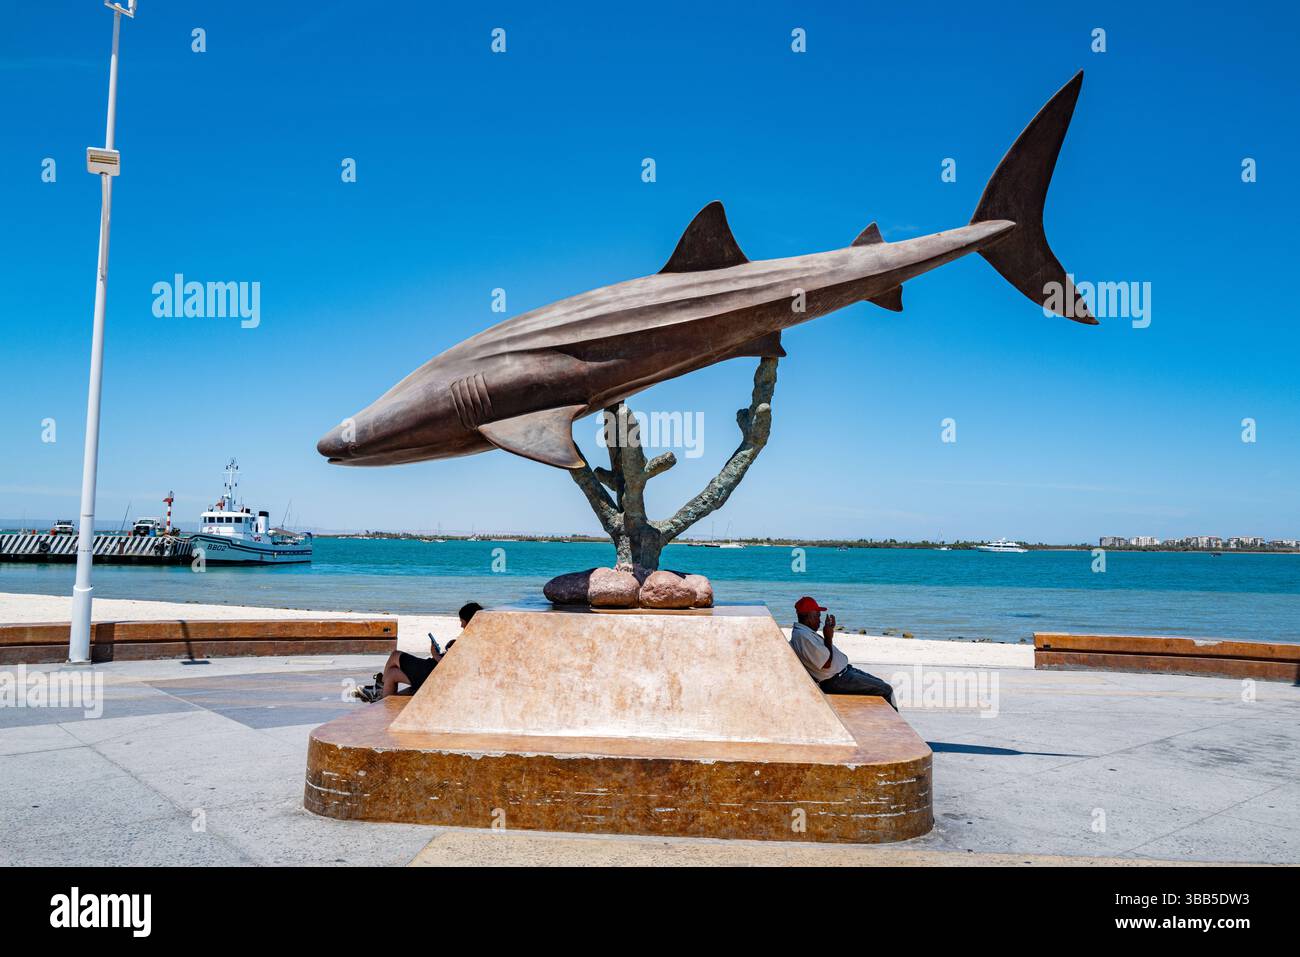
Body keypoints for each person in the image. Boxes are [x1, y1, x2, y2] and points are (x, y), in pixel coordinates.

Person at [357, 602, 481, 702]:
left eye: (462, 621)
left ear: (468, 620)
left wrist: (435, 654)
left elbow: (451, 666)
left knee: (395, 655)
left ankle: (379, 689)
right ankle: (381, 700)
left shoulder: (471, 640)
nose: (461, 625)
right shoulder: (476, 637)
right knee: (391, 674)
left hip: (432, 672)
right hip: (433, 671)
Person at [789, 596, 896, 708]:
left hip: (843, 673)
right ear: (809, 616)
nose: (819, 621)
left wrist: (828, 633)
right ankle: (895, 724)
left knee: (881, 684)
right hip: (837, 680)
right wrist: (828, 636)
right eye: (817, 616)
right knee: (886, 690)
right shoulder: (803, 637)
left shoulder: (804, 633)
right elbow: (826, 664)